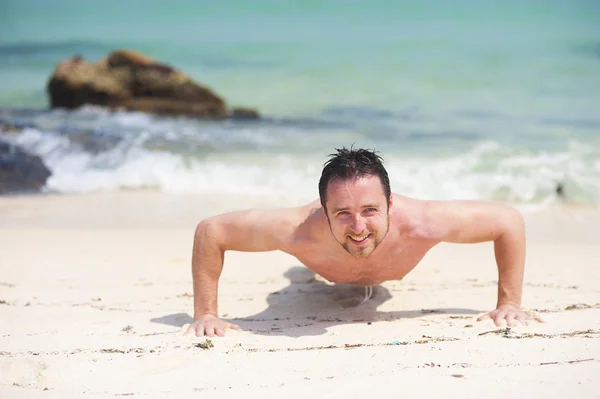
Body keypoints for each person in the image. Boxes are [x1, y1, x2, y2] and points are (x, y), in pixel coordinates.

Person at [185, 147, 538, 337]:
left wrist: (509, 303)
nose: (358, 227)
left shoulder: (424, 223)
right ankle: (300, 276)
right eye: (342, 213)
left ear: (390, 204)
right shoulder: (297, 230)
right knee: (301, 277)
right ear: (323, 210)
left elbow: (508, 221)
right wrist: (205, 314)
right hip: (325, 268)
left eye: (370, 210)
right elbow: (211, 230)